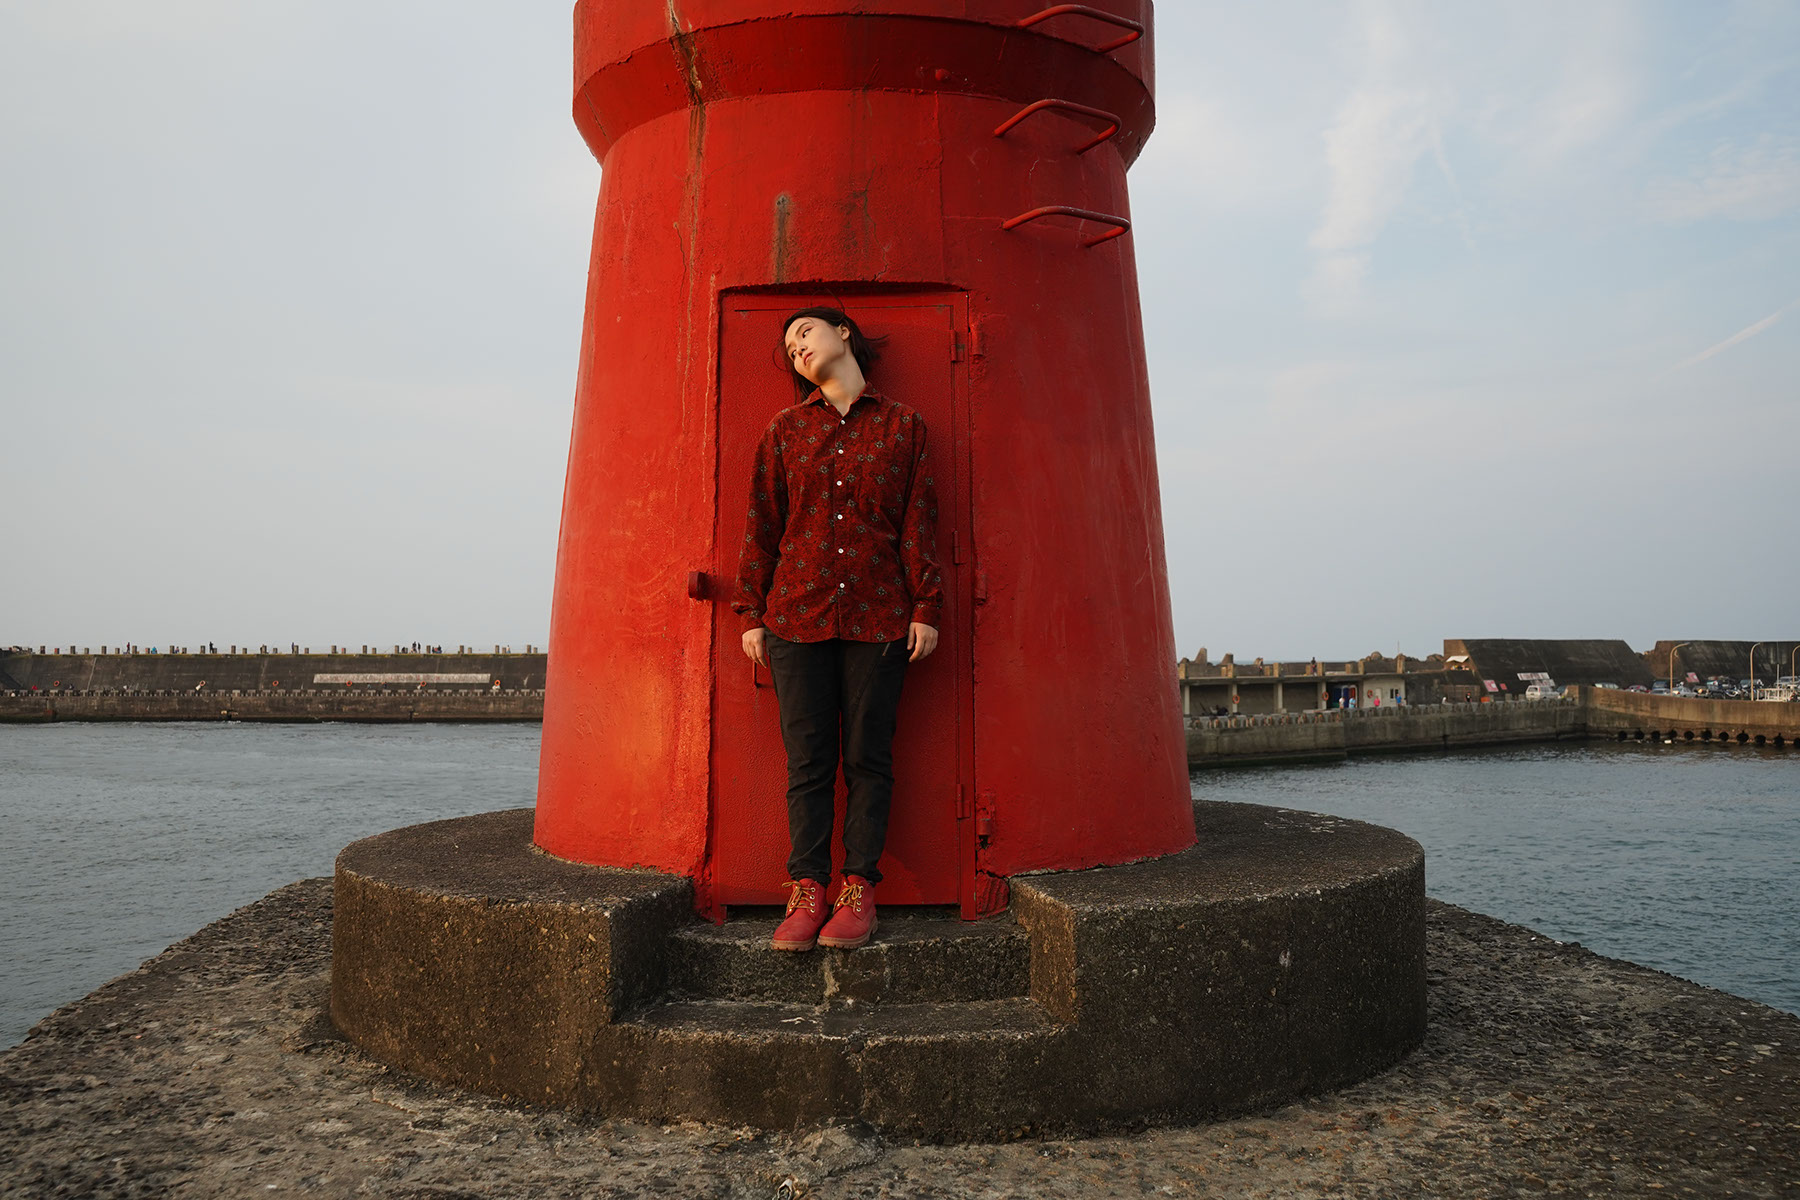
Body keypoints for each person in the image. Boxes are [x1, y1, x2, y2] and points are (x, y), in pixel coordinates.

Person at [731, 307, 943, 952]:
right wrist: (751, 613)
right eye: (788, 345)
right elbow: (763, 524)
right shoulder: (786, 430)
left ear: (843, 333)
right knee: (809, 762)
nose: (796, 347)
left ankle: (858, 889)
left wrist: (926, 606)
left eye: (805, 332)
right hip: (796, 615)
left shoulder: (905, 426)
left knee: (869, 758)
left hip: (880, 615)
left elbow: (918, 522)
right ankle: (807, 888)